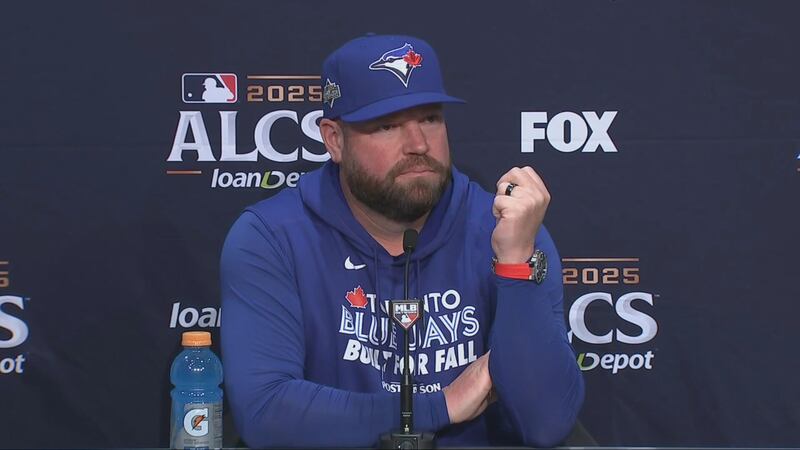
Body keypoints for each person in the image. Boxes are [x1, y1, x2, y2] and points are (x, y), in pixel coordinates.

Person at [220, 34, 584, 448]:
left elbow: (546, 423)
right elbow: (266, 413)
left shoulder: (505, 230)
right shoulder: (271, 237)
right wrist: (441, 405)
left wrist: (516, 263)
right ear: (335, 140)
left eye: (430, 119)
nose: (418, 145)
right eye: (387, 125)